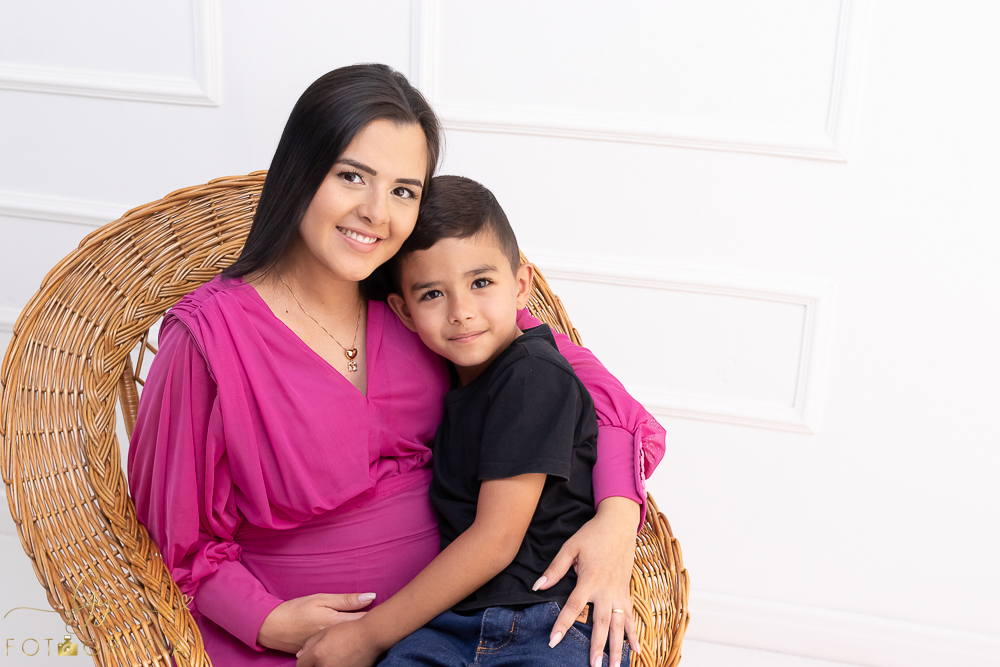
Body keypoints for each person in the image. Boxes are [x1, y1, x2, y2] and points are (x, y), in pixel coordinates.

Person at [127, 64, 665, 666]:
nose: (376, 214)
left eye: (404, 190)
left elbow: (591, 395)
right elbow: (175, 540)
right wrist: (267, 621)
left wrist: (619, 516)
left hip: (475, 619)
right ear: (300, 171)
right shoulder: (207, 339)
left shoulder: (428, 305)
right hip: (312, 644)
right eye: (352, 176)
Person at [294, 175, 633, 667]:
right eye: (432, 294)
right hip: (452, 628)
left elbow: (496, 541)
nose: (461, 312)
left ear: (520, 284)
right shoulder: (459, 388)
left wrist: (368, 635)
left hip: (544, 623)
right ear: (404, 312)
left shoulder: (532, 375)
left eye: (480, 283)